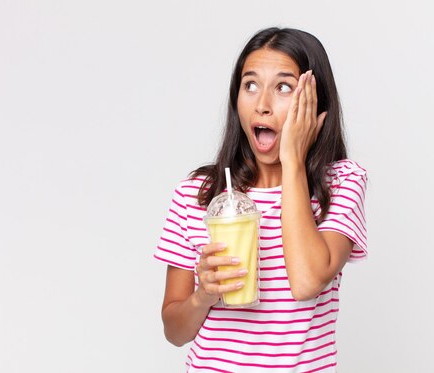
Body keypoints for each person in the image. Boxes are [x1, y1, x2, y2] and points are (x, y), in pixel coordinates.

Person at [154, 26, 368, 372]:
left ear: (315, 103)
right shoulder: (197, 193)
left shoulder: (341, 184)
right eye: (250, 85)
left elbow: (307, 282)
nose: (263, 105)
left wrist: (294, 161)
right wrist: (203, 295)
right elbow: (174, 331)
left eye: (284, 87)